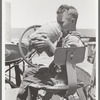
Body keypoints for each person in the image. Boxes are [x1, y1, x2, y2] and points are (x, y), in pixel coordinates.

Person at [17, 4, 84, 100]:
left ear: (72, 21)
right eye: (58, 23)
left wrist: (49, 44)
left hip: (61, 78)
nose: (59, 26)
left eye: (61, 23)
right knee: (29, 71)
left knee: (27, 81)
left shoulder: (73, 39)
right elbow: (51, 54)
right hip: (54, 73)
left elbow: (63, 59)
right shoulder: (63, 36)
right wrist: (43, 46)